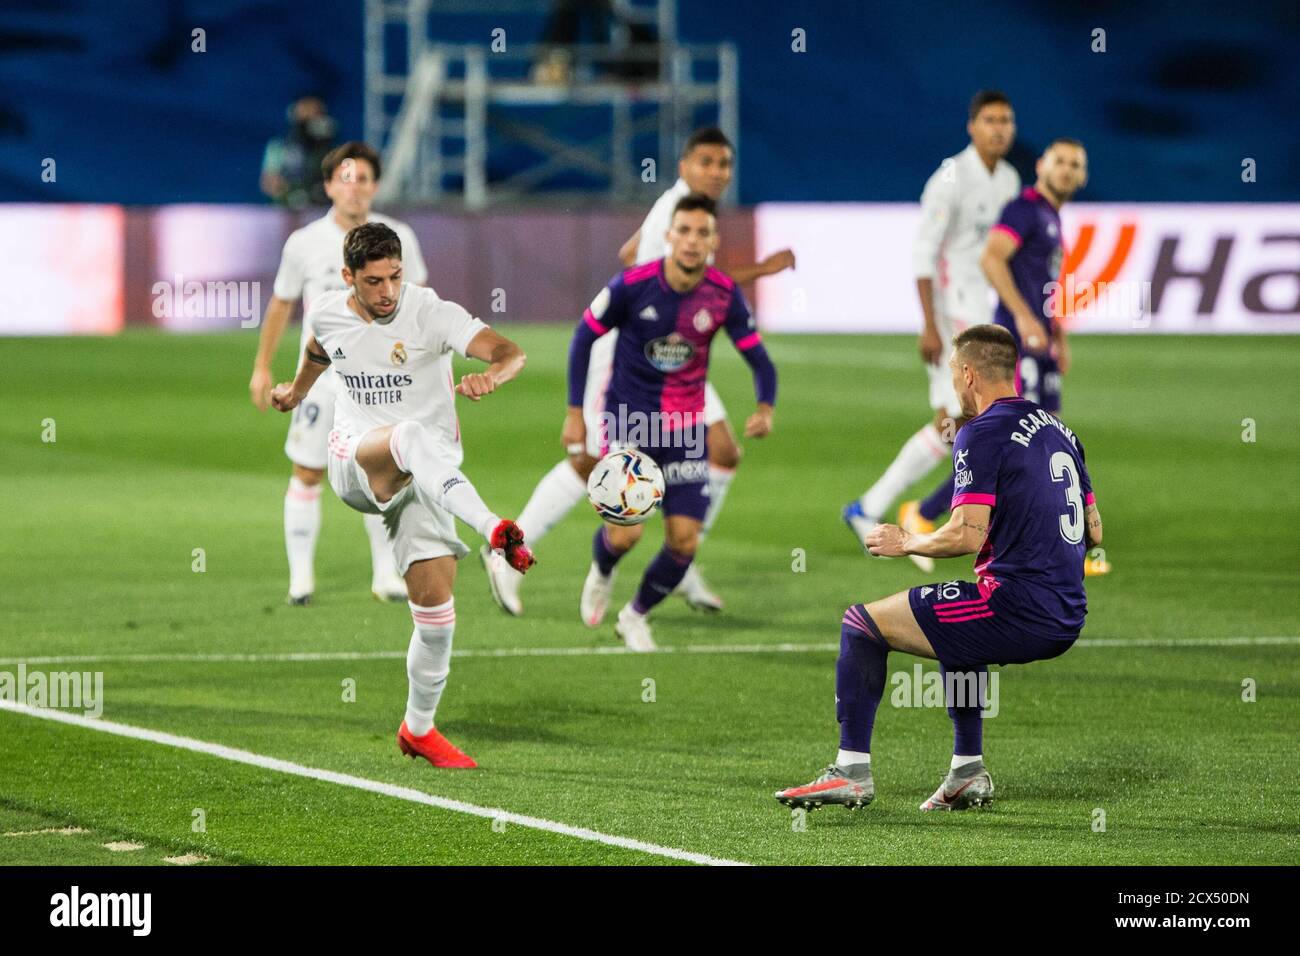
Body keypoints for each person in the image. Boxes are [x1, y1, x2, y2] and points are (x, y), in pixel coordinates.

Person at [776, 324, 1101, 812]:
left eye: (952, 370)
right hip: (1068, 611)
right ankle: (967, 771)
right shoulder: (1061, 430)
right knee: (955, 625)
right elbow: (1094, 530)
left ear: (969, 373)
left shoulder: (980, 432)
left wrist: (905, 541)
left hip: (1017, 608)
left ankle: (851, 771)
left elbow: (965, 534)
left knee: (861, 625)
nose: (952, 381)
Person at [482, 127, 794, 616]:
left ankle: (682, 558)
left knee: (724, 452)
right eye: (706, 162)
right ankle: (505, 549)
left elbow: (634, 255)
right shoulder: (679, 211)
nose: (717, 172)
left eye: (725, 164)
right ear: (684, 166)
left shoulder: (683, 208)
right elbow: (674, 276)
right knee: (589, 461)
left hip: (678, 357)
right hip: (629, 354)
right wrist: (762, 269)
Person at [269, 222, 534, 768]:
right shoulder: (326, 310)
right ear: (349, 278)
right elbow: (319, 350)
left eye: (394, 276)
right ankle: (492, 529)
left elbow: (509, 352)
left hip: (428, 479)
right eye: (373, 281)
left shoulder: (432, 313)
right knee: (409, 434)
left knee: (437, 617)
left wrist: (494, 377)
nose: (387, 291)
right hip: (356, 459)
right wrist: (293, 394)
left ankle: (418, 729)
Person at [565, 194, 778, 651]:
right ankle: (602, 572)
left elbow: (759, 359)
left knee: (684, 541)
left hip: (684, 431)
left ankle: (635, 614)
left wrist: (765, 406)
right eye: (684, 230)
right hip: (629, 422)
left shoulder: (722, 293)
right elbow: (583, 338)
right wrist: (574, 415)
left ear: (713, 241)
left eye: (702, 232)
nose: (692, 240)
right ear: (669, 235)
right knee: (626, 534)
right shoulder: (631, 285)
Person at [844, 91, 1019, 573]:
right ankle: (908, 512)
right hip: (947, 316)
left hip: (977, 312)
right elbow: (924, 253)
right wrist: (929, 323)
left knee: (959, 426)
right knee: (956, 423)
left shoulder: (1007, 179)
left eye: (1006, 120)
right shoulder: (949, 178)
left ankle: (879, 509)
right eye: (990, 120)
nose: (999, 128)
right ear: (971, 126)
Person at [250, 141, 427, 605]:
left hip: (381, 382)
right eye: (345, 179)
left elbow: (421, 308)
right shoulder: (305, 242)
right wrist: (263, 367)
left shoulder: (400, 237)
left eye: (364, 179)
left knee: (383, 474)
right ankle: (301, 579)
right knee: (307, 471)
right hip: (321, 381)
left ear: (375, 185)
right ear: (329, 185)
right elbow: (282, 303)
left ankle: (387, 574)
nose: (355, 189)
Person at [982, 137, 1108, 575]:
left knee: (1048, 438)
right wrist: (1025, 320)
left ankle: (1059, 537)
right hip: (1017, 345)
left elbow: (1045, 286)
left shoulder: (1051, 217)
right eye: (1061, 162)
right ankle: (928, 513)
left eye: (1076, 164)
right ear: (1041, 166)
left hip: (1040, 343)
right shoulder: (1023, 208)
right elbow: (992, 259)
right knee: (1018, 441)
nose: (1068, 170)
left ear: (1084, 175)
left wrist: (1058, 335)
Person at [260, 96, 337, 208]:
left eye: (315, 114)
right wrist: (288, 193)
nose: (310, 118)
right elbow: (269, 182)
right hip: (289, 208)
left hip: (323, 207)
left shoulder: (332, 150)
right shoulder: (280, 146)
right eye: (305, 115)